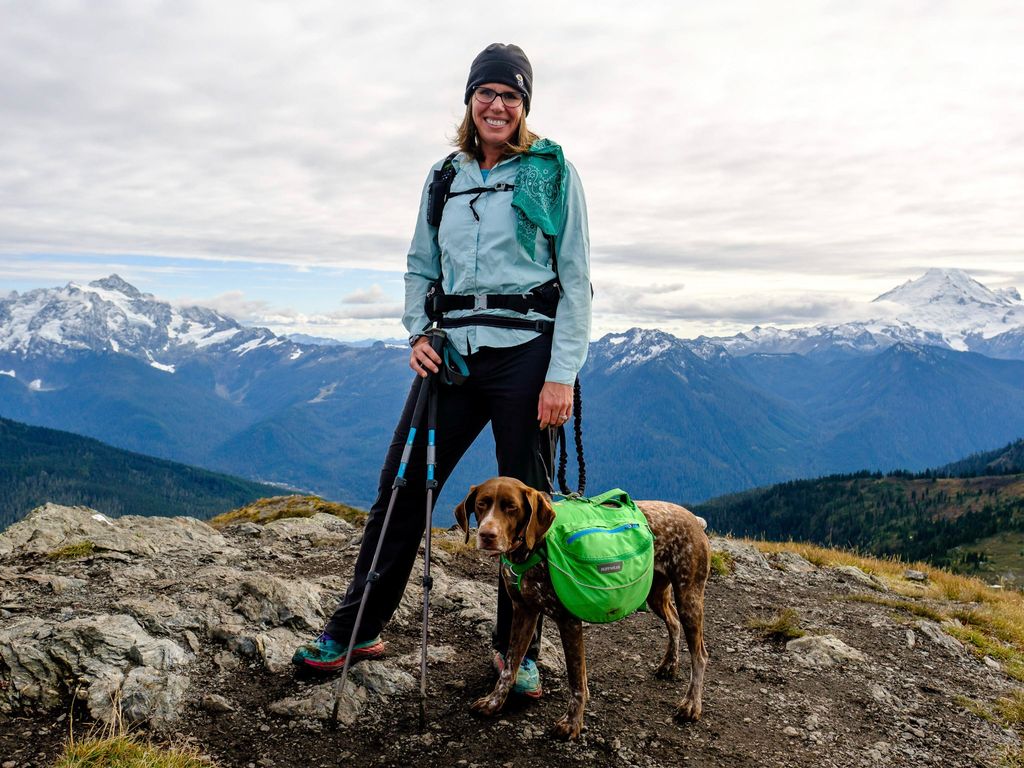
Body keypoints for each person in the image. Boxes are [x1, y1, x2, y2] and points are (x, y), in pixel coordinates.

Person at [292, 42, 591, 698]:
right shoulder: (444, 177)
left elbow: (575, 279)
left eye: (511, 96)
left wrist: (561, 375)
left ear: (525, 107)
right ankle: (356, 628)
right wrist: (417, 331)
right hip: (451, 356)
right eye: (487, 93)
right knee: (402, 488)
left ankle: (518, 655)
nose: (497, 105)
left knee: (527, 513)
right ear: (469, 101)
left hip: (527, 358)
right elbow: (419, 267)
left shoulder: (552, 173)